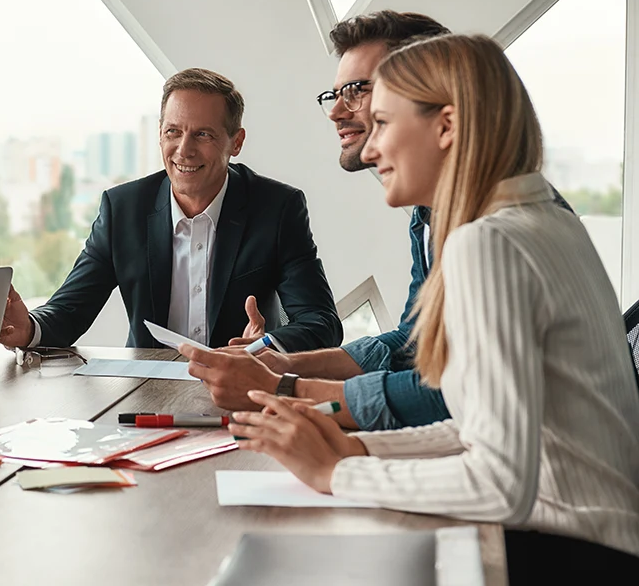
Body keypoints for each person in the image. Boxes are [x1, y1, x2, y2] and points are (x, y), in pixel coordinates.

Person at [222, 34, 639, 578]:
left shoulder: (486, 242)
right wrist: (357, 453)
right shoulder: (542, 218)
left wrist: (337, 472)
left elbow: (502, 482)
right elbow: (474, 429)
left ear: (447, 127)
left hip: (573, 553)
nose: (370, 149)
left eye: (385, 124)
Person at [187, 11, 454, 423]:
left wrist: (289, 390)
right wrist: (283, 366)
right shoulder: (429, 216)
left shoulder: (491, 232)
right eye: (335, 95)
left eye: (357, 91)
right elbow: (413, 344)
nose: (335, 112)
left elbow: (457, 397)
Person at [0, 68, 341, 352]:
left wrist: (263, 346)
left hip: (243, 388)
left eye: (203, 134)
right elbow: (69, 311)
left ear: (236, 142)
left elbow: (321, 321)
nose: (183, 150)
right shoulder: (123, 210)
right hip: (146, 395)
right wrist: (27, 327)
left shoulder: (278, 209)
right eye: (172, 132)